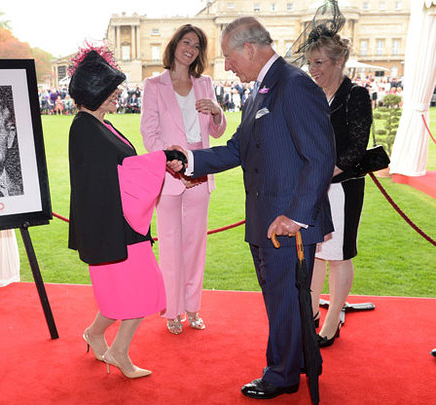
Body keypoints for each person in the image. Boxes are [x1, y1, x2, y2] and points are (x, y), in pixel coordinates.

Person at [168, 16, 335, 400]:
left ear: (249, 48)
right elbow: (238, 149)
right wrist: (189, 161)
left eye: (228, 56)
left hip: (286, 224)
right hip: (266, 219)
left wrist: (295, 216)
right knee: (286, 300)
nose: (226, 65)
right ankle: (303, 361)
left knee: (284, 300)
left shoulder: (293, 85)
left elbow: (321, 156)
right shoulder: (262, 89)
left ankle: (282, 374)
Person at [67, 47, 186, 379]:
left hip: (120, 223)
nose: (117, 93)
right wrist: (161, 157)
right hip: (114, 226)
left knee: (125, 291)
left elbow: (124, 170)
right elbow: (118, 173)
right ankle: (118, 351)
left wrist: (160, 160)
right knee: (143, 289)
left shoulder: (97, 124)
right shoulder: (85, 129)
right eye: (110, 89)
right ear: (94, 94)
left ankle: (94, 334)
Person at [140, 24, 226, 335]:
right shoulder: (154, 85)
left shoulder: (205, 84)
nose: (190, 48)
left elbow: (217, 132)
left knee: (195, 245)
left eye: (197, 45)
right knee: (171, 248)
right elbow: (150, 135)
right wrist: (172, 163)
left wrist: (217, 112)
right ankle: (172, 311)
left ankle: (192, 308)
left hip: (200, 172)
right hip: (169, 174)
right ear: (175, 45)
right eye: (186, 42)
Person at [304, 28, 372, 347]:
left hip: (342, 187)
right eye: (309, 63)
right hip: (315, 186)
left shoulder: (355, 95)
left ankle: (331, 323)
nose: (313, 69)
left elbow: (356, 147)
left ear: (339, 60)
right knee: (316, 251)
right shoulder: (313, 95)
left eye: (319, 62)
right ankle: (310, 314)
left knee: (339, 255)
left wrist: (323, 172)